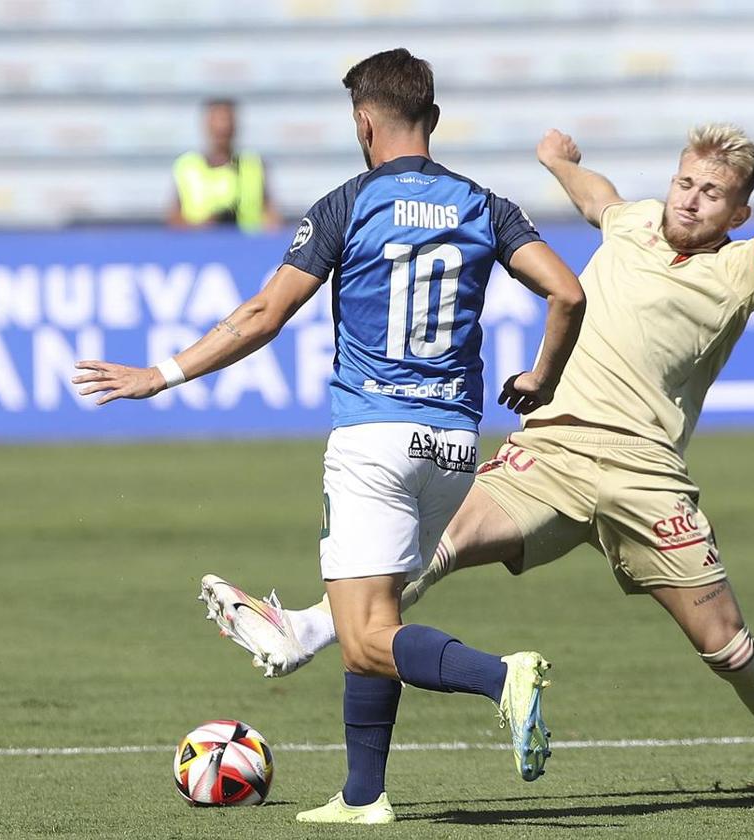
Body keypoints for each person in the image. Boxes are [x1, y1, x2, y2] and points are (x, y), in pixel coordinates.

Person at [205, 81, 754, 795]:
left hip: (646, 476)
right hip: (547, 454)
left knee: (727, 647)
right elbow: (596, 196)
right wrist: (558, 162)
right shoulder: (634, 221)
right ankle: (302, 628)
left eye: (712, 192)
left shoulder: (743, 269)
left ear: (738, 211)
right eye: (685, 180)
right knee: (431, 547)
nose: (691, 197)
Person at [76, 47, 586, 825]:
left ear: (362, 122)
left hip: (374, 440)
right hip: (453, 446)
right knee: (376, 609)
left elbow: (263, 315)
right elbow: (567, 291)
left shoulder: (348, 204)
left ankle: (499, 677)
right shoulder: (487, 206)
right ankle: (362, 795)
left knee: (362, 638)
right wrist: (542, 377)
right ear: (434, 120)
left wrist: (163, 373)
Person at [168, 97, 283, 232]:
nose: (222, 127)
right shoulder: (187, 167)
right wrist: (201, 227)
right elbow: (174, 219)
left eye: (227, 121)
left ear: (235, 125)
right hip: (198, 247)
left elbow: (272, 217)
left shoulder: (253, 165)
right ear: (206, 125)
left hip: (247, 247)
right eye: (217, 121)